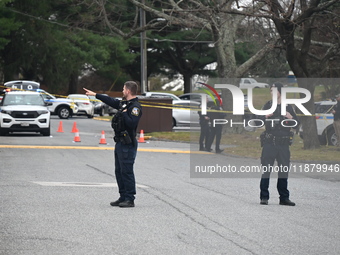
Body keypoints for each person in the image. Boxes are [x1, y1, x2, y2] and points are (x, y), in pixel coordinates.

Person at [84, 81, 142, 208]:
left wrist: (125, 112)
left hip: (128, 143)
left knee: (127, 171)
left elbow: (132, 123)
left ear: (128, 91)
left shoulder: (135, 107)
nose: (122, 91)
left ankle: (130, 198)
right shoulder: (124, 104)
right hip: (120, 142)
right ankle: (122, 196)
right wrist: (95, 95)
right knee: (119, 171)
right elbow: (111, 101)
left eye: (123, 89)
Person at [258, 82, 299, 206]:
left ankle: (284, 198)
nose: (272, 93)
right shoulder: (268, 105)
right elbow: (255, 120)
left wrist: (291, 118)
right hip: (270, 142)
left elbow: (297, 123)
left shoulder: (288, 107)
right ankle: (264, 197)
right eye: (271, 91)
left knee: (283, 171)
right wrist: (264, 116)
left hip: (283, 144)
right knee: (266, 170)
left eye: (275, 91)